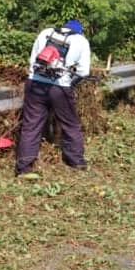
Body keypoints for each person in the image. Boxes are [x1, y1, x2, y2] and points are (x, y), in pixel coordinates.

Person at [15, 19, 91, 178]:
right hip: (59, 88)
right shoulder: (81, 41)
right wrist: (69, 83)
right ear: (79, 30)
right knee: (70, 124)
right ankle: (76, 161)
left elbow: (32, 61)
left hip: (35, 84)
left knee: (31, 125)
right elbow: (84, 72)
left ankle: (24, 167)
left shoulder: (46, 33)